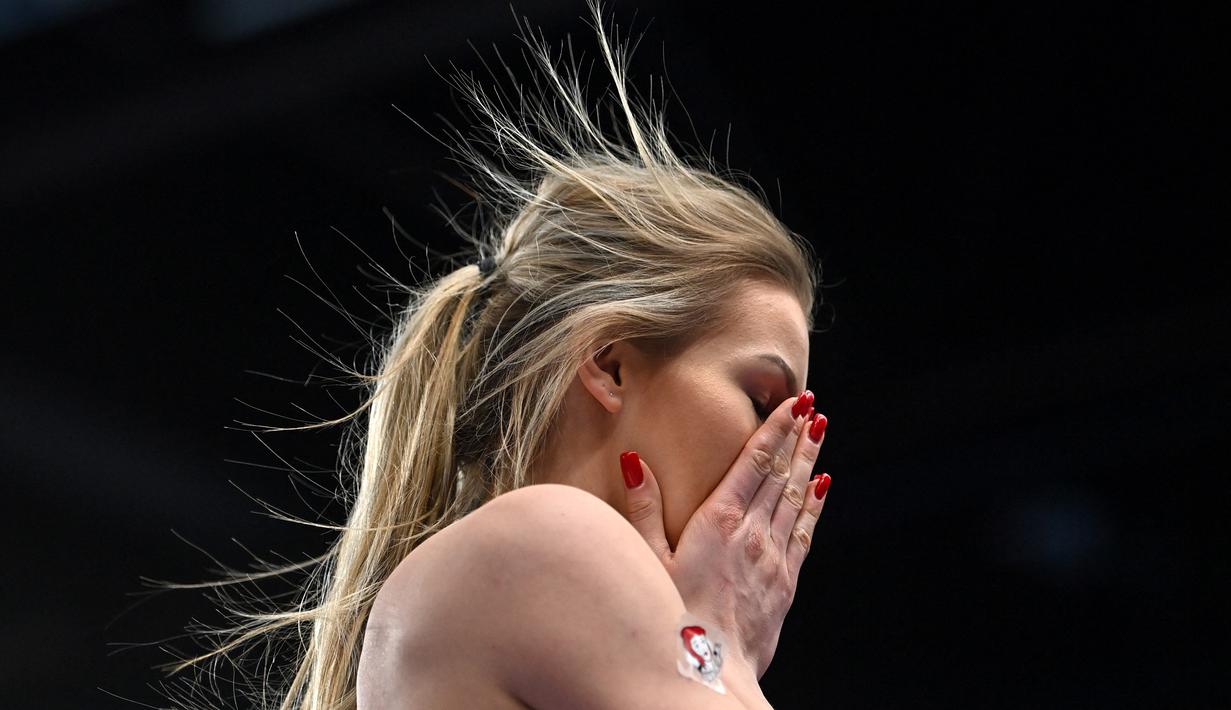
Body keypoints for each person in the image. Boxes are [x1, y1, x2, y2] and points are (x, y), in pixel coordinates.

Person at [158, 2, 832, 708]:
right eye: (761, 398)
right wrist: (723, 642)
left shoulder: (493, 573)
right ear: (609, 365)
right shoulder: (543, 538)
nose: (781, 453)